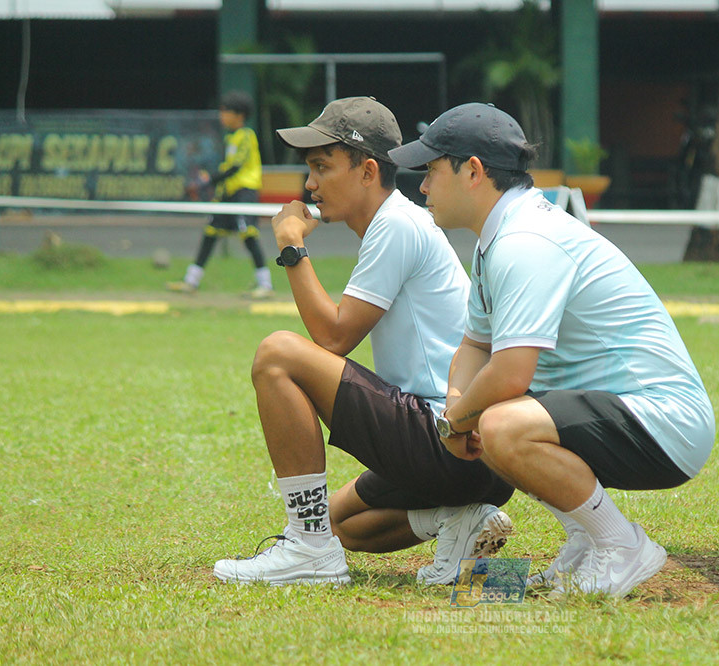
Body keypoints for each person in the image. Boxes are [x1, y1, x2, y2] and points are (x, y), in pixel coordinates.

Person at [388, 103, 715, 598]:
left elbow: (513, 370)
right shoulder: (495, 239)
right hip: (623, 409)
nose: (424, 187)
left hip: (667, 422)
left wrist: (457, 421)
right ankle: (587, 541)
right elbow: (475, 344)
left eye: (431, 171)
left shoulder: (525, 241)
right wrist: (456, 408)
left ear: (473, 171)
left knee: (500, 421)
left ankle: (621, 545)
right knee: (490, 414)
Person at [212, 97, 514, 587]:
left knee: (277, 354)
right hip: (474, 458)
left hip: (454, 437)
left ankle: (308, 552)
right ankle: (456, 520)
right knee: (340, 522)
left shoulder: (396, 224)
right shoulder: (397, 223)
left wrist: (291, 244)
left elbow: (332, 339)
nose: (309, 184)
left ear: (368, 170)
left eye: (321, 167)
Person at [167, 90, 273, 298]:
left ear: (239, 115)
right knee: (210, 232)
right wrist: (214, 184)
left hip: (244, 193)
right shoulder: (230, 138)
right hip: (228, 193)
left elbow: (235, 167)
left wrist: (208, 180)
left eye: (226, 112)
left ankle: (265, 285)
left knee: (248, 234)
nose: (221, 116)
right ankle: (191, 281)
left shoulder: (246, 136)